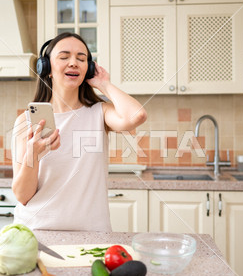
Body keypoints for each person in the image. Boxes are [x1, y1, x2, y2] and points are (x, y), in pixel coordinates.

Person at [11, 32, 147, 232]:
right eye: (64, 57)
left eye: (81, 59)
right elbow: (22, 196)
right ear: (46, 68)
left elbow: (137, 116)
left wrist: (104, 84)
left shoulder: (100, 112)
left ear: (88, 69)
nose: (73, 63)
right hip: (36, 232)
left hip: (91, 232)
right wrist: (34, 154)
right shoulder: (26, 121)